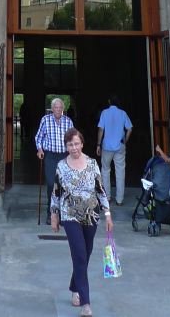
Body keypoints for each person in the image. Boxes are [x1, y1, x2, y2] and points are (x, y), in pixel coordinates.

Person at [49, 128, 112, 317]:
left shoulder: (92, 164)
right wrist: (54, 214)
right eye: (70, 145)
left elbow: (100, 190)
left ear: (82, 144)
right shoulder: (61, 166)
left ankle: (74, 286)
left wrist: (108, 213)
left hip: (91, 215)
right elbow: (56, 192)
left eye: (76, 144)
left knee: (86, 253)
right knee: (79, 255)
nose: (74, 148)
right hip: (69, 216)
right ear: (66, 146)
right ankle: (86, 303)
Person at [35, 96, 74, 204]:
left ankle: (61, 211)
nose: (58, 109)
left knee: (63, 184)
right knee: (51, 183)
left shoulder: (68, 121)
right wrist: (40, 149)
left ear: (63, 109)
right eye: (56, 107)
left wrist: (74, 153)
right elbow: (39, 137)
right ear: (52, 109)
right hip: (50, 156)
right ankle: (50, 211)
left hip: (64, 156)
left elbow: (72, 140)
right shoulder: (45, 120)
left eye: (60, 107)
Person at [96, 95, 133, 206]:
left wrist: (98, 144)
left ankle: (107, 196)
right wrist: (125, 140)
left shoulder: (104, 113)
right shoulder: (123, 113)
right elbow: (130, 128)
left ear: (109, 101)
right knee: (120, 171)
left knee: (105, 170)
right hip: (120, 146)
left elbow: (101, 129)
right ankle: (119, 199)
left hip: (107, 147)